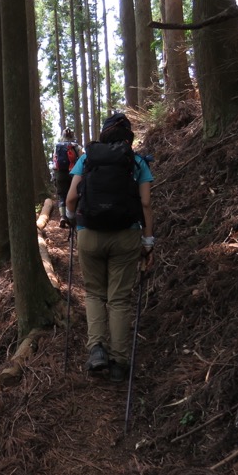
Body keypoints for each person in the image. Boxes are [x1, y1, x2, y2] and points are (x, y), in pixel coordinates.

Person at [64, 113, 155, 382]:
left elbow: (71, 198)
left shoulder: (87, 158)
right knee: (118, 299)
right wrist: (148, 241)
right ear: (129, 137)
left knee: (93, 294)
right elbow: (146, 204)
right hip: (126, 236)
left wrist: (71, 220)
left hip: (89, 235)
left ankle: (97, 350)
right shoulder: (136, 161)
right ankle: (119, 362)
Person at [51, 127, 83, 228]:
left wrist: (54, 176)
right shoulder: (77, 146)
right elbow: (82, 160)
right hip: (73, 174)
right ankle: (74, 215)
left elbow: (55, 161)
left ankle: (63, 217)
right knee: (75, 194)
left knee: (62, 196)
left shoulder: (57, 146)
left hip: (60, 174)